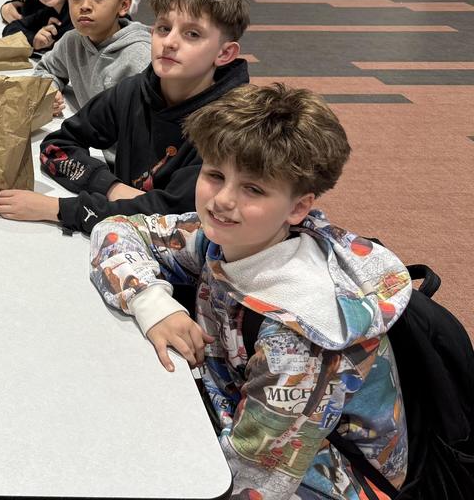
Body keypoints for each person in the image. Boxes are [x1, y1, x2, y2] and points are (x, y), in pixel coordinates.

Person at [89, 82, 411, 498]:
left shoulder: (297, 344)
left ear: (298, 208)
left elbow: (252, 482)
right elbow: (115, 230)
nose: (222, 200)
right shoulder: (228, 240)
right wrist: (154, 304)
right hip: (234, 409)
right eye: (215, 175)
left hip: (321, 478)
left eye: (253, 189)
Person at [0, 0, 250, 234]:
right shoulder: (135, 90)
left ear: (225, 53)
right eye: (163, 28)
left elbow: (174, 219)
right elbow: (55, 148)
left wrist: (59, 209)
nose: (170, 42)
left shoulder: (231, 128)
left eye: (192, 34)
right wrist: (110, 187)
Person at [33, 0, 150, 115]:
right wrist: (49, 91)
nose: (85, 5)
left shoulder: (140, 60)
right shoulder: (72, 42)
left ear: (124, 5)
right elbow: (46, 69)